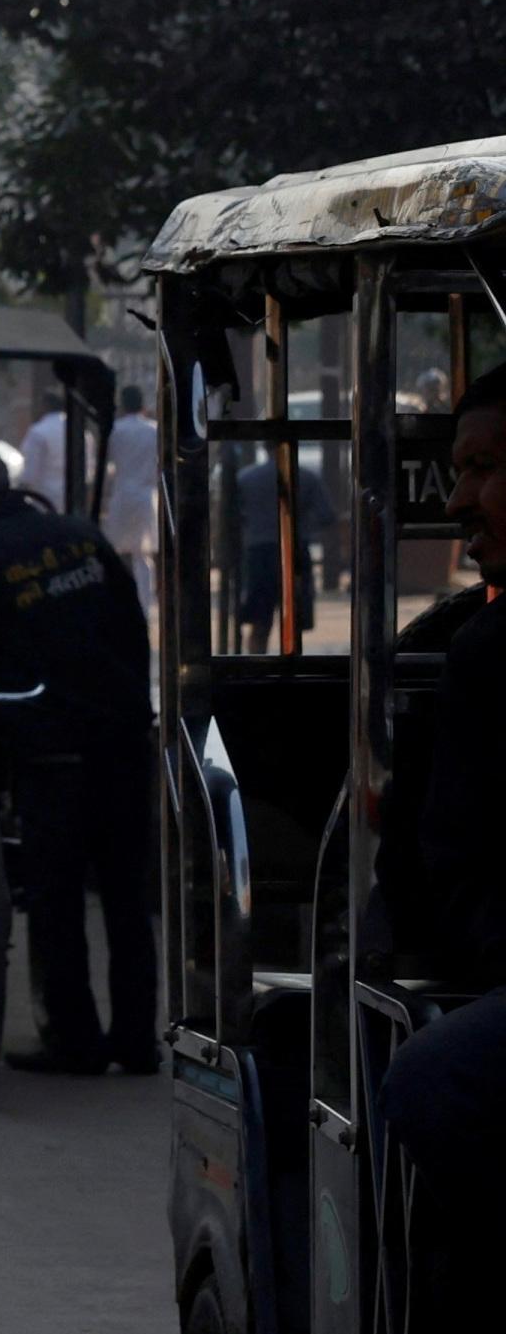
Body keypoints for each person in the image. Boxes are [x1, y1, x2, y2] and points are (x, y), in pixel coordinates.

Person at [0, 443, 155, 1076]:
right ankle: (136, 1042)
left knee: (57, 897)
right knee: (128, 897)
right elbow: (134, 629)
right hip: (125, 737)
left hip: (51, 748)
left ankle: (74, 1042)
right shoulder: (82, 537)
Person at [380, 362, 506, 1329]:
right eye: (459, 468)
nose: (460, 496)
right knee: (433, 1075)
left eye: (485, 467)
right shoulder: (478, 649)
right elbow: (451, 869)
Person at [236, 450, 335, 645]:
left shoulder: (246, 478)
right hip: (295, 549)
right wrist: (304, 526)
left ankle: (256, 668)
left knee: (260, 622)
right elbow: (327, 516)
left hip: (259, 552)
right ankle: (292, 663)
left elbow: (233, 516)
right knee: (294, 621)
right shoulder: (307, 477)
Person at [103, 384, 160, 616]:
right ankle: (144, 609)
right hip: (146, 497)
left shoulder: (116, 430)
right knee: (142, 556)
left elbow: (107, 463)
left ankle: (116, 606)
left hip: (122, 495)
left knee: (115, 552)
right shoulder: (154, 430)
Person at [16, 398, 73, 513]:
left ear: (45, 407)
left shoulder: (38, 432)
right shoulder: (80, 433)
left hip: (44, 498)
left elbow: (30, 472)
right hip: (72, 497)